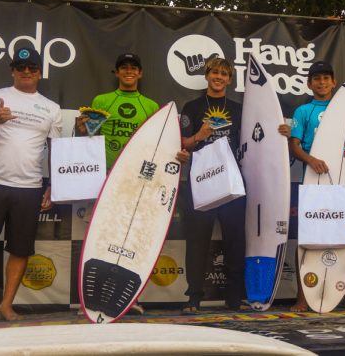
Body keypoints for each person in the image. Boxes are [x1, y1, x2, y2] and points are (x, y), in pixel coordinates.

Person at [76, 52, 189, 315]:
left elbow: (160, 146)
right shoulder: (101, 101)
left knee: (133, 240)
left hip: (139, 184)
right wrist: (82, 130)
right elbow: (90, 137)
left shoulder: (151, 106)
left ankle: (130, 299)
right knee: (103, 238)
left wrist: (178, 154)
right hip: (107, 180)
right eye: (123, 68)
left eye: (133, 68)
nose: (128, 71)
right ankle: (90, 300)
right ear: (116, 73)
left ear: (140, 74)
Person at [0, 47, 62, 322]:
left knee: (20, 249)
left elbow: (55, 150)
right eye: (20, 66)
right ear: (12, 70)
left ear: (40, 73)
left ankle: (6, 306)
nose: (26, 71)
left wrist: (53, 185)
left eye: (32, 67)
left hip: (30, 188)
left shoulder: (52, 108)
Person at [289, 60, 345, 312]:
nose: (322, 83)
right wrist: (310, 160)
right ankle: (302, 297)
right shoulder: (304, 111)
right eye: (316, 78)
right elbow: (294, 146)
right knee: (306, 237)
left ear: (334, 82)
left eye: (326, 78)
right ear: (309, 83)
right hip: (315, 180)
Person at [179, 57, 246, 313]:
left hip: (232, 181)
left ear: (229, 79)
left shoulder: (239, 109)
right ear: (207, 76)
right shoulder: (192, 107)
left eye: (224, 74)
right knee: (197, 241)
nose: (218, 77)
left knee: (235, 240)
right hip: (201, 181)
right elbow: (183, 144)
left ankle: (234, 298)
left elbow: (252, 142)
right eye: (214, 72)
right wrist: (199, 135)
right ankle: (193, 298)